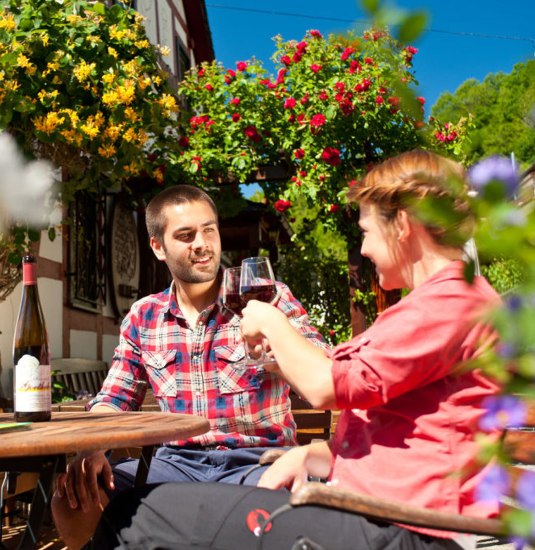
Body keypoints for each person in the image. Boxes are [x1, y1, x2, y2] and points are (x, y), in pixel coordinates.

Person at [88, 150, 503, 550]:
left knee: (138, 516)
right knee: (118, 506)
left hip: (401, 527)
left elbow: (327, 384)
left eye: (366, 232)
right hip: (372, 511)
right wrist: (313, 454)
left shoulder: (448, 305)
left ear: (404, 226)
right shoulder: (436, 303)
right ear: (159, 246)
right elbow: (397, 426)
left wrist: (268, 321)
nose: (363, 249)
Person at [51, 184, 327, 549]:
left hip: (257, 461)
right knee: (72, 497)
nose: (202, 243)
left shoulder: (266, 296)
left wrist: (279, 352)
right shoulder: (144, 316)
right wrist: (92, 447)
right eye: (185, 235)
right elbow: (114, 399)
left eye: (208, 230)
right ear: (158, 247)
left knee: (298, 508)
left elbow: (325, 369)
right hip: (174, 464)